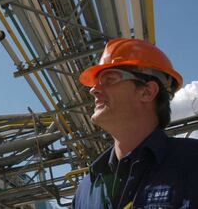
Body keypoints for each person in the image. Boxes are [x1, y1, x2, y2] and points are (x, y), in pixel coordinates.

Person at [72, 38, 198, 209]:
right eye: (95, 83)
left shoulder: (191, 162)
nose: (94, 90)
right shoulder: (87, 188)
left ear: (147, 92)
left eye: (109, 79)